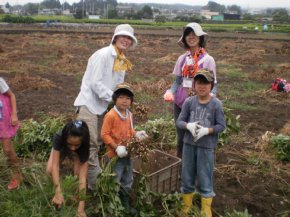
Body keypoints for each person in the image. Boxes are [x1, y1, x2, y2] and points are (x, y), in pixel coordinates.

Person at [74, 24, 138, 190]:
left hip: (103, 106)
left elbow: (118, 86)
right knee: (90, 145)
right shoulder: (102, 55)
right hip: (88, 104)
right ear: (115, 38)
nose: (126, 40)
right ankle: (97, 186)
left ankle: (86, 180)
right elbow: (95, 83)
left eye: (129, 38)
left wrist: (124, 104)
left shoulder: (122, 60)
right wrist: (116, 99)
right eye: (123, 36)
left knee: (99, 143)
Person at [163, 22, 217, 158]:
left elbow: (213, 84)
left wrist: (209, 102)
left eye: (194, 34)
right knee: (181, 135)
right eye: (188, 34)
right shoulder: (182, 59)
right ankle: (180, 165)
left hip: (198, 105)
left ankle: (195, 166)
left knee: (196, 136)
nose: (191, 37)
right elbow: (178, 81)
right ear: (184, 38)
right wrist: (170, 91)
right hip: (180, 103)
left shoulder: (208, 60)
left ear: (200, 38)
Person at [176, 69, 226, 217]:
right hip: (189, 145)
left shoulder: (216, 104)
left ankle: (206, 207)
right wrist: (188, 126)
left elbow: (221, 126)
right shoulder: (189, 102)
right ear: (194, 85)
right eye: (198, 83)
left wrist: (207, 130)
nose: (201, 86)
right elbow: (179, 121)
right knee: (187, 174)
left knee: (205, 175)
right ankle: (187, 205)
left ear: (211, 85)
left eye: (205, 83)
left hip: (206, 147)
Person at [101, 83, 147, 215]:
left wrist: (137, 134)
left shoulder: (129, 115)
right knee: (114, 180)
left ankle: (124, 203)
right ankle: (112, 205)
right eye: (121, 97)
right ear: (115, 99)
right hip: (113, 156)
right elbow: (104, 135)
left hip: (127, 153)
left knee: (127, 179)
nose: (124, 101)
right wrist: (116, 147)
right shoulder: (111, 115)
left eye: (127, 98)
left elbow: (129, 131)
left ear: (131, 101)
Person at [46, 120, 90, 217]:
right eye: (70, 144)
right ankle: (58, 191)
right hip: (62, 147)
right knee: (49, 170)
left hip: (80, 151)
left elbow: (83, 178)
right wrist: (58, 191)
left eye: (76, 145)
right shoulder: (59, 137)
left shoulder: (85, 144)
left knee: (78, 175)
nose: (73, 148)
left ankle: (75, 197)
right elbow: (55, 165)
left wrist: (81, 209)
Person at [0, 77, 23, 190]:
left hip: (3, 118)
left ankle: (17, 175)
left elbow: (11, 95)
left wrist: (14, 114)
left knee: (7, 149)